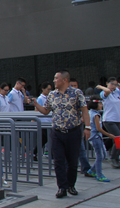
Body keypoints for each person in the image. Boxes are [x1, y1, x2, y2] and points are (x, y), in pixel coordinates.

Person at [33, 70, 90, 198]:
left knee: (72, 161)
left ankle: (71, 185)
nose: (54, 81)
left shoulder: (76, 93)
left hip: (73, 132)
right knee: (58, 161)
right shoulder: (52, 95)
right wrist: (36, 104)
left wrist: (88, 127)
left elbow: (84, 111)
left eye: (56, 78)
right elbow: (46, 111)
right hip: (57, 132)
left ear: (64, 80)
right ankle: (62, 187)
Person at [85, 100, 113, 182]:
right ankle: (99, 174)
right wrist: (109, 135)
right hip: (96, 137)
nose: (101, 105)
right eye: (100, 103)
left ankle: (92, 170)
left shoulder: (90, 112)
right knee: (100, 155)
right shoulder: (96, 115)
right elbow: (99, 128)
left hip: (94, 137)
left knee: (103, 155)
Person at [97, 77, 120, 168]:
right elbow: (107, 91)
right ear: (107, 83)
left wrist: (117, 86)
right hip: (109, 120)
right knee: (118, 139)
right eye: (112, 83)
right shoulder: (104, 93)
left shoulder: (117, 92)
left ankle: (116, 158)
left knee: (117, 140)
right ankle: (113, 158)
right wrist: (102, 87)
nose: (113, 86)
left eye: (115, 84)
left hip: (118, 119)